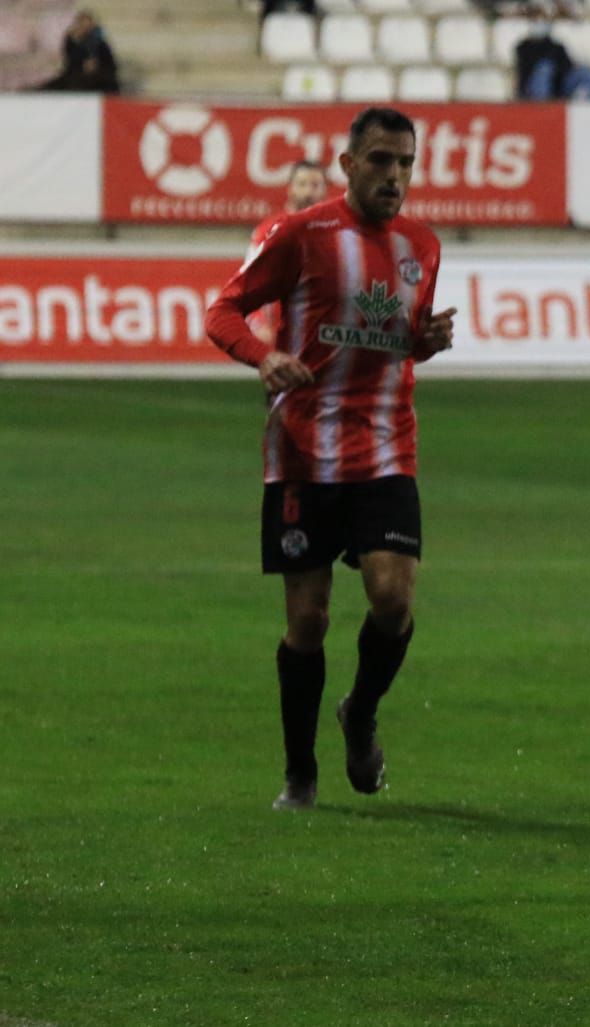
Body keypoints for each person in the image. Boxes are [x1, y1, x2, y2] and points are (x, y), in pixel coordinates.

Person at [204, 107, 457, 811]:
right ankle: (299, 771)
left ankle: (362, 711)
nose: (395, 175)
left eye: (405, 162)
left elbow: (398, 339)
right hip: (302, 453)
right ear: (348, 165)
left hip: (384, 446)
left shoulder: (423, 245)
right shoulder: (300, 235)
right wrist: (265, 356)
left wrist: (425, 340)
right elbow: (222, 311)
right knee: (308, 621)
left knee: (393, 597)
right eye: (380, 160)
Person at [245, 160, 329, 346]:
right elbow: (248, 284)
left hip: (322, 338)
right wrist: (258, 325)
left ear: (325, 190)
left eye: (315, 185)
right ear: (290, 188)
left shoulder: (335, 232)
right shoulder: (268, 232)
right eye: (302, 184)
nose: (308, 192)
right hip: (281, 337)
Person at [38, 9, 118, 94]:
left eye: (87, 23)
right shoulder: (72, 40)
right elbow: (70, 59)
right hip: (76, 74)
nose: (84, 27)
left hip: (98, 77)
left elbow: (110, 63)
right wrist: (75, 41)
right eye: (82, 23)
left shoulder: (100, 43)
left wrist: (96, 65)